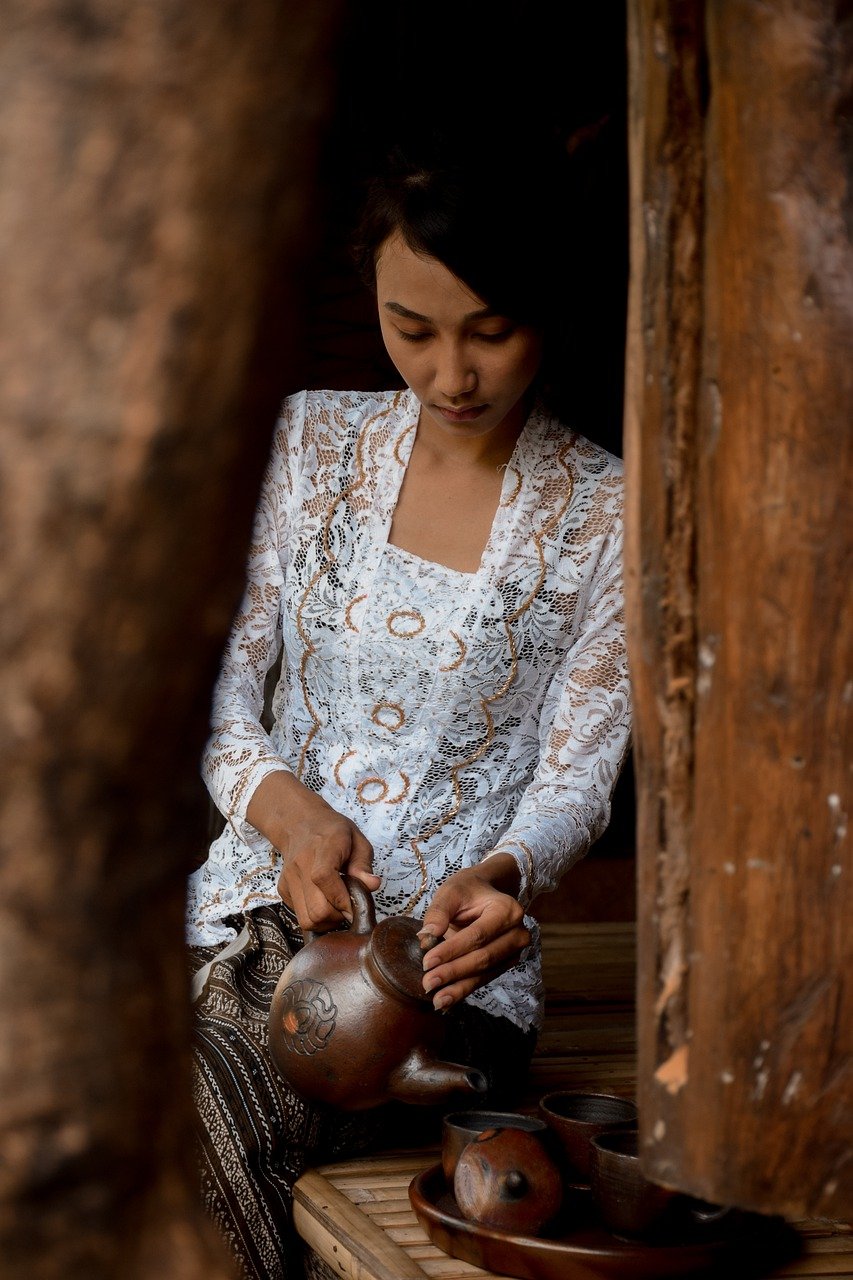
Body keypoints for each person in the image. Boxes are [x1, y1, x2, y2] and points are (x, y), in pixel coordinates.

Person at [186, 136, 631, 1280]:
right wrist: (285, 811)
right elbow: (219, 678)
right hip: (238, 921)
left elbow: (581, 769)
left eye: (490, 329)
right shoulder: (308, 440)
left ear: (550, 308)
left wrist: (508, 873)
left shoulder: (611, 508)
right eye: (412, 328)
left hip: (438, 980)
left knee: (198, 1113)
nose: (450, 375)